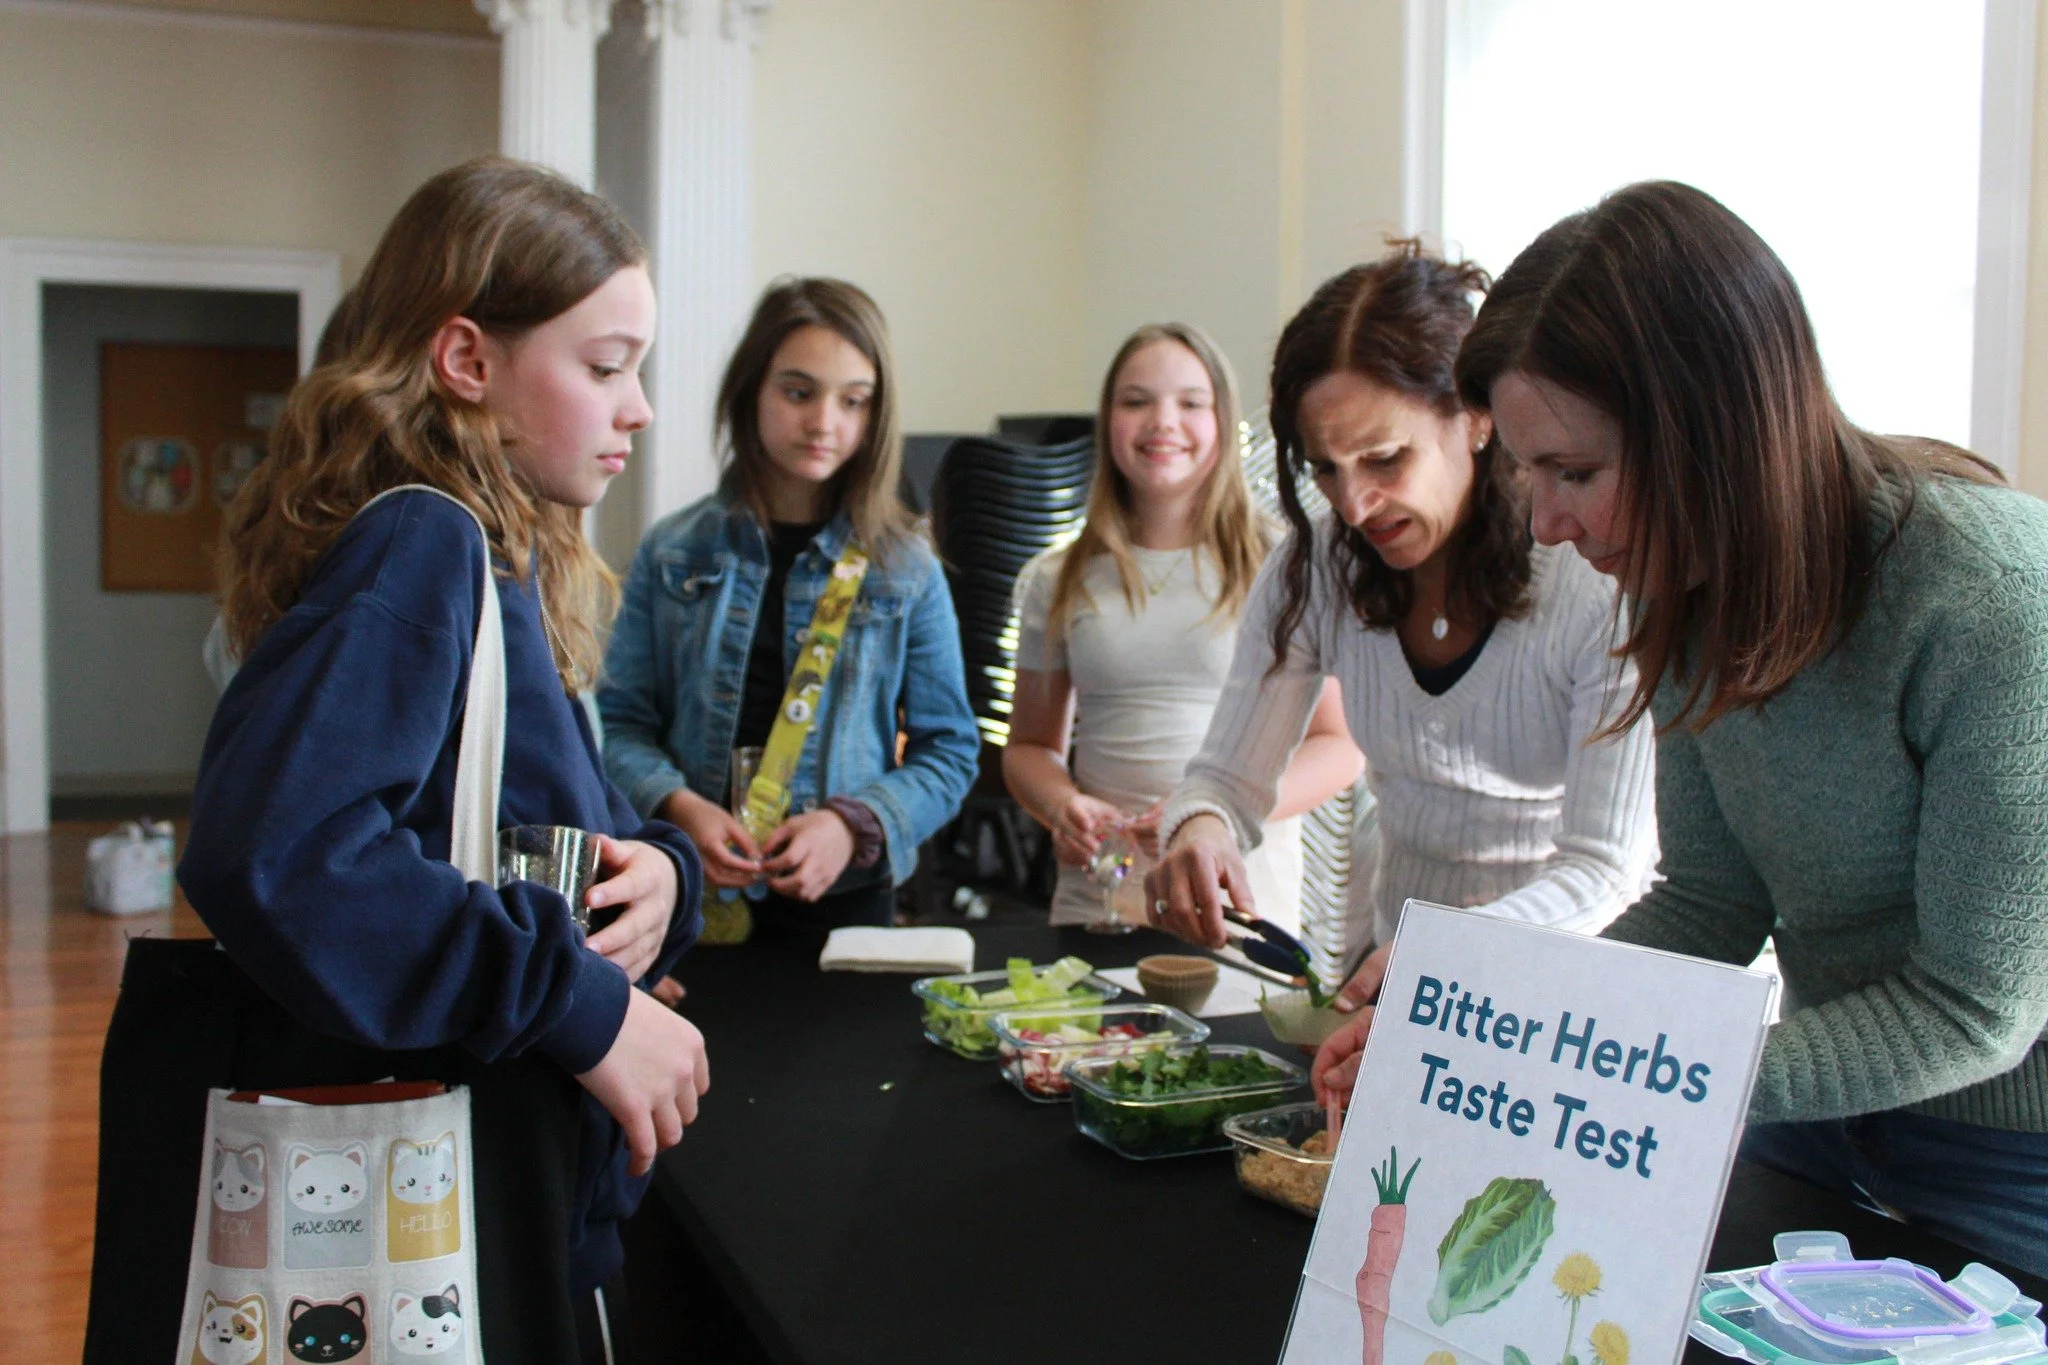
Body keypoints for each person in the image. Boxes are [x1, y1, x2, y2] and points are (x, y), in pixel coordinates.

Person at [1319, 180, 2048, 1278]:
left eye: (1575, 473)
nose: (1550, 526)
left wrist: (1622, 1066)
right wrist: (1486, 1031)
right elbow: (1708, 899)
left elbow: (1970, 1009)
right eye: (1528, 474)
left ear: (1715, 431)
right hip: (1810, 1110)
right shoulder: (1680, 584)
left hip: (2009, 1157)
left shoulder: (1986, 599)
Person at [176, 158, 708, 1357]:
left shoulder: (500, 563)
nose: (639, 409)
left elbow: (545, 827)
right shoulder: (425, 541)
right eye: (606, 366)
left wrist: (664, 874)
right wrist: (578, 1005)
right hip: (452, 1219)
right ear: (467, 361)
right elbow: (277, 853)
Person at [1146, 242, 1658, 985]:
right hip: (1395, 973)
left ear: (1478, 421)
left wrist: (1441, 953)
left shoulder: (1591, 582)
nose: (1353, 505)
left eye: (1386, 459)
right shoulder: (1318, 565)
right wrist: (1200, 827)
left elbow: (1605, 871)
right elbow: (1224, 778)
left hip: (1568, 992)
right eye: (1325, 468)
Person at [599, 277, 978, 928]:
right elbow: (616, 725)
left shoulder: (907, 569)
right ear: (751, 391)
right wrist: (676, 805)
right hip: (688, 897)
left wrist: (851, 823)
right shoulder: (673, 550)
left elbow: (951, 750)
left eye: (854, 401)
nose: (824, 422)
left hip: (845, 904)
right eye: (798, 392)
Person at [1003, 323, 1360, 930]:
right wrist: (1063, 807)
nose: (1162, 421)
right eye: (1136, 401)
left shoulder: (1286, 563)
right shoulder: (1056, 576)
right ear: (1106, 419)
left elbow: (1338, 747)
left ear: (1222, 419)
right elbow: (1030, 749)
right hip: (1102, 902)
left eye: (1191, 403)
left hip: (1241, 903)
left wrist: (1212, 813)